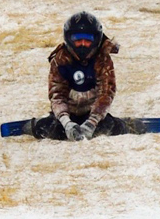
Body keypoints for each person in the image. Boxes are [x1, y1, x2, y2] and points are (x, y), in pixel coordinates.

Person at [29, 11, 128, 141]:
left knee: (109, 128)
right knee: (48, 129)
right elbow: (57, 96)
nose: (82, 44)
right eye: (78, 40)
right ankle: (31, 126)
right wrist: (66, 123)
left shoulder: (103, 60)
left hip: (92, 114)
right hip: (67, 115)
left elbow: (106, 94)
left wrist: (92, 122)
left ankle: (128, 125)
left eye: (87, 41)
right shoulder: (59, 61)